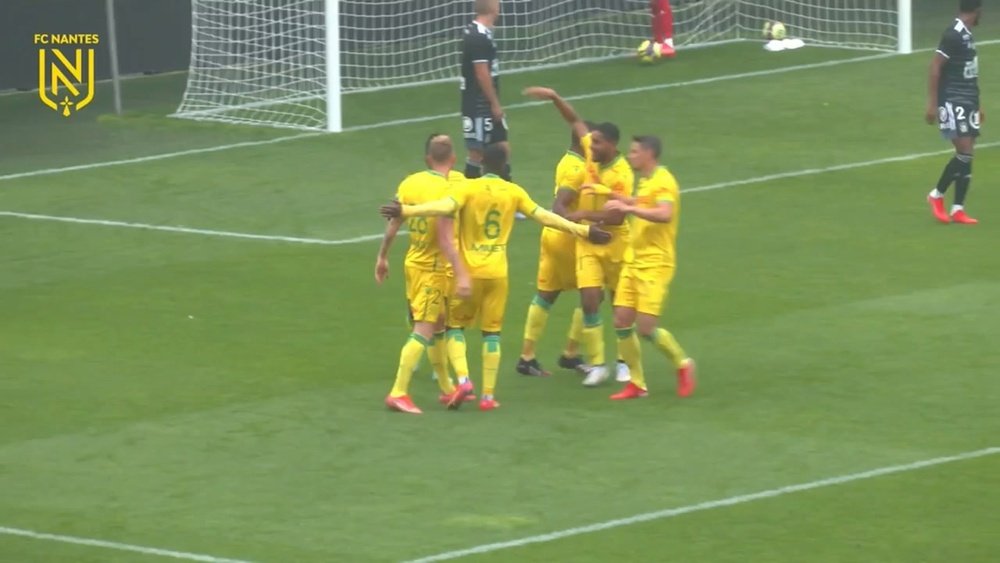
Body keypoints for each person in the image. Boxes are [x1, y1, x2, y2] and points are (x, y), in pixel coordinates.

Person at [380, 145, 611, 410]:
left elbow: (443, 207)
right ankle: (488, 398)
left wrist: (407, 211)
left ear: (481, 164)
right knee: (492, 334)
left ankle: (463, 380)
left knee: (453, 328)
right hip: (498, 272)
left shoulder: (467, 188)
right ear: (505, 167)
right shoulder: (514, 192)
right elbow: (546, 217)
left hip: (468, 272)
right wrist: (582, 231)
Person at [522, 86, 635, 387]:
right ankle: (591, 361)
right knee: (590, 298)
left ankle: (623, 362)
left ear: (609, 145)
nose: (591, 146)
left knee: (615, 301)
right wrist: (556, 98)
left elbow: (620, 214)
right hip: (582, 239)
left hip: (610, 238)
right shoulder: (582, 160)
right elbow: (575, 123)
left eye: (596, 143)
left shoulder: (621, 173)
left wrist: (583, 216)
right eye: (590, 142)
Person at [375, 134, 472, 414]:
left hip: (412, 263)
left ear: (428, 158)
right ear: (452, 159)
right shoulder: (444, 189)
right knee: (424, 329)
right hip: (432, 268)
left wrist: (382, 257)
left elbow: (395, 220)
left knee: (439, 324)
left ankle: (446, 389)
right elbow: (445, 239)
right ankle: (398, 392)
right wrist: (462, 273)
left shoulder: (410, 183)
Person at [603, 135, 696, 400]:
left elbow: (664, 214)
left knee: (645, 328)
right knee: (621, 320)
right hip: (634, 261)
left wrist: (627, 208)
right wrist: (615, 196)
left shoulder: (664, 181)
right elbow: (643, 203)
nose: (630, 155)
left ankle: (683, 364)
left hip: (656, 263)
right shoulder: (645, 180)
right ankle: (637, 383)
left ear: (648, 154)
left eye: (634, 152)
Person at [516, 121, 597, 377]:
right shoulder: (575, 168)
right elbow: (559, 207)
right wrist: (583, 225)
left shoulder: (568, 160)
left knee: (546, 295)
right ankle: (570, 354)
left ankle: (527, 357)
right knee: (594, 293)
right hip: (567, 239)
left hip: (551, 236)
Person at [926, 0, 983, 225]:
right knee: (964, 152)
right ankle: (936, 195)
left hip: (968, 100)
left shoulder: (968, 35)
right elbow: (935, 66)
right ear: (976, 11)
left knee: (968, 153)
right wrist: (932, 104)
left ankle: (958, 208)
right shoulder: (953, 34)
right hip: (952, 99)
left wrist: (978, 104)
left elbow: (970, 72)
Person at [461, 0, 511, 182]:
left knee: (502, 150)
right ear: (493, 7)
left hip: (485, 104)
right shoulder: (478, 36)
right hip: (479, 106)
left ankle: (510, 201)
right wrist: (495, 104)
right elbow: (482, 74)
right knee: (477, 154)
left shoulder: (481, 33)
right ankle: (466, 199)